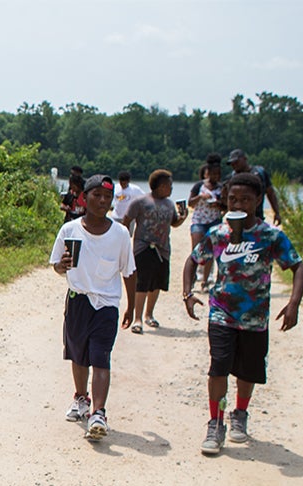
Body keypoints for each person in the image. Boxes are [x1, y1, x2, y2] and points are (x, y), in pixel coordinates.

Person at [182, 172, 303, 455]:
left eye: (245, 199)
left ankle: (239, 414)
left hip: (255, 317)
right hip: (221, 313)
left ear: (257, 200)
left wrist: (294, 303)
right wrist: (188, 294)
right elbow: (192, 261)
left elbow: (299, 267)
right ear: (225, 200)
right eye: (232, 199)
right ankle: (215, 422)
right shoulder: (218, 234)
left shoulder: (270, 236)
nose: (238, 204)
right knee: (219, 366)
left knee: (248, 370)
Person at [50, 174, 136, 442]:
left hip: (107, 305)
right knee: (78, 354)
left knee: (101, 356)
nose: (102, 201)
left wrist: (131, 306)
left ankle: (98, 413)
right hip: (78, 299)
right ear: (84, 198)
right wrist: (62, 266)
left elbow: (129, 272)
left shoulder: (120, 234)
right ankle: (80, 399)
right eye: (96, 195)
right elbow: (55, 264)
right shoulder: (70, 230)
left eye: (108, 197)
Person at [122, 169, 188, 334]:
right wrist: (123, 239)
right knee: (142, 282)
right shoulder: (141, 202)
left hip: (163, 249)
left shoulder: (169, 204)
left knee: (157, 283)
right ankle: (137, 318)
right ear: (160, 186)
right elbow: (127, 220)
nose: (171, 188)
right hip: (143, 247)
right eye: (169, 185)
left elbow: (174, 223)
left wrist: (182, 217)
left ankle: (149, 314)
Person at [188, 155, 224, 291]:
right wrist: (200, 197)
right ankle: (192, 279)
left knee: (211, 252)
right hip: (199, 221)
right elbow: (190, 203)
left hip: (215, 221)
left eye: (218, 174)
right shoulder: (199, 186)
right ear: (208, 173)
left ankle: (205, 281)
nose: (216, 177)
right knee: (197, 250)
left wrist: (218, 204)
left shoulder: (222, 187)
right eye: (213, 174)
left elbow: (226, 206)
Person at [226, 149, 282, 226]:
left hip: (257, 216)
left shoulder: (259, 173)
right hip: (237, 219)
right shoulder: (232, 177)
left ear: (245, 159)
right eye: (232, 163)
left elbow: (270, 193)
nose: (234, 165)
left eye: (236, 162)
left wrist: (276, 212)